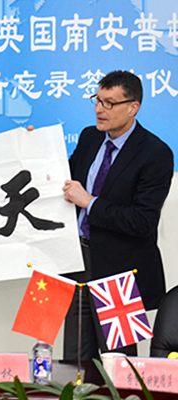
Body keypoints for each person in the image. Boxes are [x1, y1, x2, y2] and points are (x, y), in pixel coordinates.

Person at [62, 70, 174, 361]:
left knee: (119, 363)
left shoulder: (156, 153)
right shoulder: (90, 137)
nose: (100, 109)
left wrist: (90, 202)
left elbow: (142, 221)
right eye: (97, 100)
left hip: (120, 274)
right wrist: (34, 148)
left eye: (110, 103)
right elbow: (64, 180)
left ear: (133, 107)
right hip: (77, 262)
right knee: (74, 357)